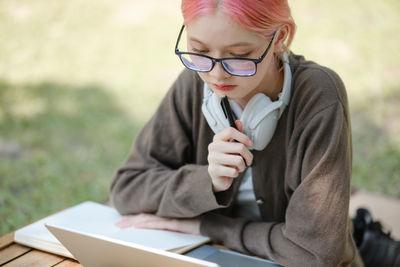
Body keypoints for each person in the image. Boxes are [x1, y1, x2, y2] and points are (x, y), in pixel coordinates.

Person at [110, 1, 400, 266]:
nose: (216, 76)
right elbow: (127, 188)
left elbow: (316, 253)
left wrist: (208, 227)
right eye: (199, 52)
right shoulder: (192, 83)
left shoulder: (319, 95)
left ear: (280, 37)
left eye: (239, 56)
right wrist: (207, 181)